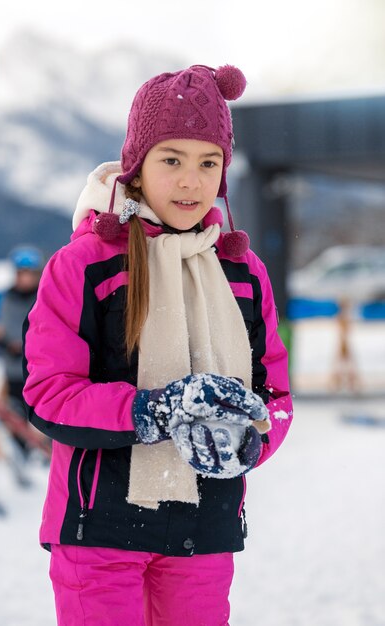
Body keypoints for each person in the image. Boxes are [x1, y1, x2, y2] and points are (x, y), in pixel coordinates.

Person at [22, 64, 293, 626]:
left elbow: (276, 396)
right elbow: (49, 393)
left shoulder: (245, 274)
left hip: (206, 527)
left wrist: (248, 437)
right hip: (101, 529)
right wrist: (155, 410)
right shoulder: (84, 267)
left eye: (208, 162)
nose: (191, 181)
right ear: (137, 166)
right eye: (172, 160)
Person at [0, 245, 43, 456]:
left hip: (38, 370)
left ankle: (41, 453)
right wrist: (5, 344)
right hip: (14, 371)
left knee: (39, 415)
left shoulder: (44, 296)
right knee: (14, 415)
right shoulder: (8, 298)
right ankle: (21, 453)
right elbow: (4, 328)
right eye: (21, 273)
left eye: (29, 274)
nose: (25, 278)